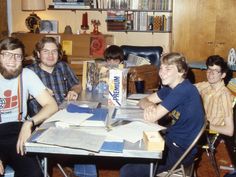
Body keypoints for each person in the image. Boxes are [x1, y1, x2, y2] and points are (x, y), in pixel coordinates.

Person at [119, 52, 205, 177]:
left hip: (181, 152)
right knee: (131, 152)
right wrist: (150, 105)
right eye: (161, 67)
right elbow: (143, 101)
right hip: (171, 141)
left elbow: (152, 117)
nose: (162, 72)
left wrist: (153, 108)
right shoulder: (171, 88)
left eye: (168, 69)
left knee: (127, 170)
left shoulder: (183, 90)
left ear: (181, 72)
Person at [0, 37, 58, 177]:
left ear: (22, 59)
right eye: (7, 54)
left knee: (34, 174)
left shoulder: (27, 75)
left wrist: (29, 122)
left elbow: (52, 105)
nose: (12, 60)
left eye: (17, 56)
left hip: (18, 133)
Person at [74, 45, 124, 177]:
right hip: (100, 103)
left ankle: (110, 150)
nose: (112, 63)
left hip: (115, 103)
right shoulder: (102, 69)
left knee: (113, 125)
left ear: (120, 61)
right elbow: (95, 90)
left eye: (116, 61)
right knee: (94, 125)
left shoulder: (122, 71)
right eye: (109, 60)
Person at [27, 37, 82, 117]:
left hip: (66, 115)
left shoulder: (63, 66)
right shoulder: (29, 72)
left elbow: (77, 85)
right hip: (42, 120)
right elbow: (19, 97)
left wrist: (74, 91)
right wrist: (38, 93)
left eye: (54, 51)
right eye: (46, 51)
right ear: (38, 54)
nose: (51, 55)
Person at [195, 55, 234, 136]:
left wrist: (203, 125)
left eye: (216, 71)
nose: (210, 73)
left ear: (223, 75)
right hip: (196, 128)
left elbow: (229, 130)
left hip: (206, 134)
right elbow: (185, 89)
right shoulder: (206, 85)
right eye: (209, 69)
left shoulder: (224, 95)